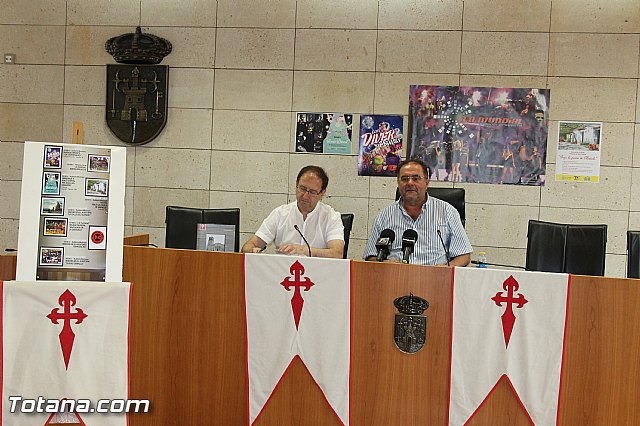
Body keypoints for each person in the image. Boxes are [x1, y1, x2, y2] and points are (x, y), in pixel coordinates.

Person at [363, 159, 472, 266]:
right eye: (405, 179)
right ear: (398, 183)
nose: (410, 183)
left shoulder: (447, 212)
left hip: (434, 275)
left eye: (416, 178)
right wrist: (384, 264)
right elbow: (370, 256)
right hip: (396, 275)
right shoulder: (384, 216)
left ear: (426, 182)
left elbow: (464, 255)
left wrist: (446, 269)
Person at [242, 165, 344, 258]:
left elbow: (337, 254)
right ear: (296, 185)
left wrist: (303, 250)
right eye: (302, 189)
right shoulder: (280, 214)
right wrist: (253, 251)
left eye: (312, 192)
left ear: (322, 193)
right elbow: (248, 247)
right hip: (282, 270)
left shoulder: (331, 217)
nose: (305, 196)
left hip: (318, 271)